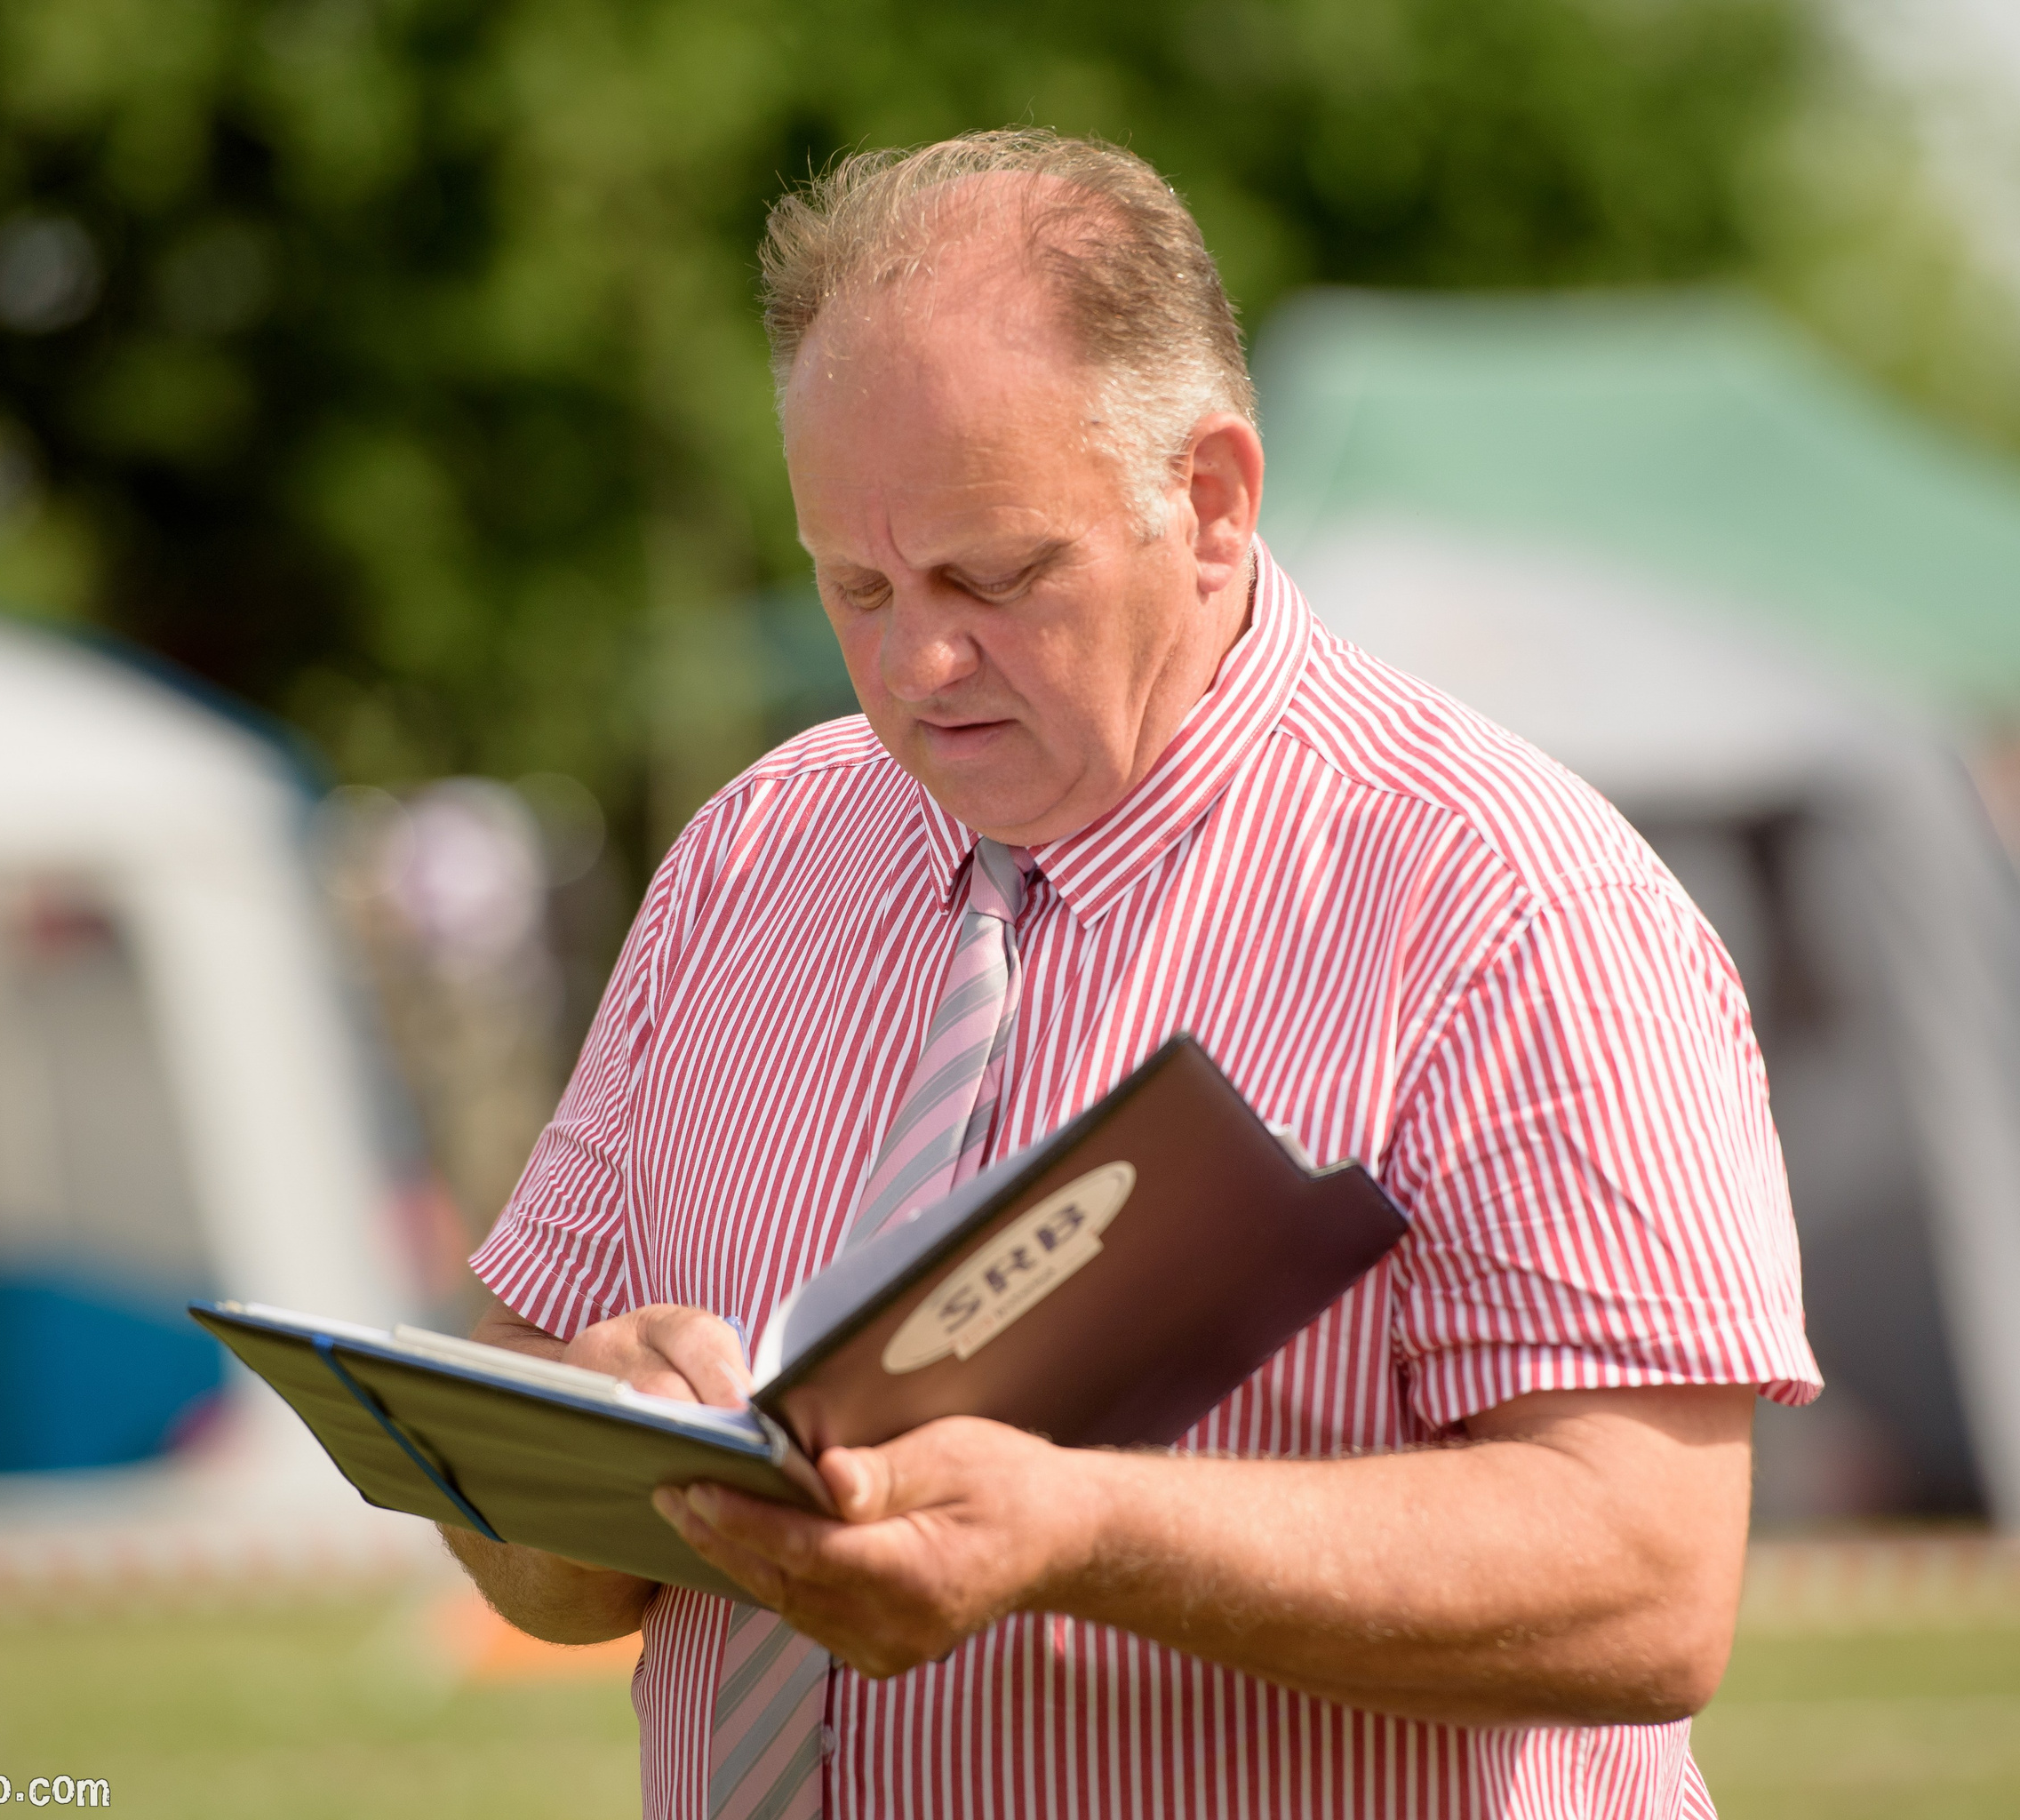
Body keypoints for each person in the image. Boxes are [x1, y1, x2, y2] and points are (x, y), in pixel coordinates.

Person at [443, 131, 1818, 1819]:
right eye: (851, 584)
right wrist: (597, 1447)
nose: (912, 661)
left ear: (1214, 502)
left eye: (994, 576)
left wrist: (1086, 1534)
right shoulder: (755, 856)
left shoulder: (1510, 902)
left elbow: (1649, 1572)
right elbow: (499, 1497)